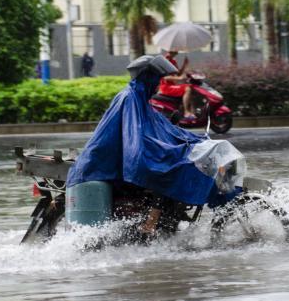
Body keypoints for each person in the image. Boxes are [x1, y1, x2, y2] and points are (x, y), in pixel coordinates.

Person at [66, 55, 237, 236]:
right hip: (107, 160)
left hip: (126, 153)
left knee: (181, 159)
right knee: (166, 168)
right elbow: (135, 137)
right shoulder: (129, 98)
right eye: (156, 79)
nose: (158, 85)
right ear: (147, 77)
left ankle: (166, 217)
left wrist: (192, 139)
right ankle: (150, 223)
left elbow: (160, 127)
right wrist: (163, 149)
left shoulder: (140, 98)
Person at [158, 49, 195, 120]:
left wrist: (184, 64)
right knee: (187, 88)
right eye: (175, 51)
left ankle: (191, 111)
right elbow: (164, 77)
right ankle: (186, 112)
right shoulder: (164, 61)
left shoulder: (173, 61)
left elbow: (178, 74)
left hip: (172, 85)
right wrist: (179, 78)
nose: (177, 52)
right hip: (166, 87)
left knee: (191, 87)